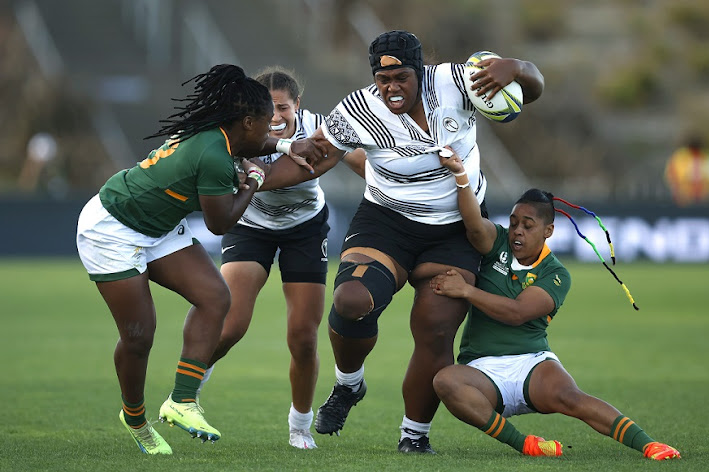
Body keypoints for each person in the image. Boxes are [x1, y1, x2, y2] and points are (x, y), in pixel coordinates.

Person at [287, 30, 545, 453]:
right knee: (351, 301)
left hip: (454, 228)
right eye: (382, 79)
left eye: (401, 77)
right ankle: (349, 384)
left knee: (436, 331)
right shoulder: (358, 108)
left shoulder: (457, 81)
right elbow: (311, 158)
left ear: (420, 72)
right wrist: (253, 181)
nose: (391, 87)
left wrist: (516, 67)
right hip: (386, 221)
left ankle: (414, 434)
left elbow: (532, 87)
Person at [75, 64, 318, 455]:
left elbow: (253, 146)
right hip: (112, 228)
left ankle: (182, 401)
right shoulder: (215, 156)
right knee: (139, 336)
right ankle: (135, 417)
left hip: (157, 226)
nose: (272, 128)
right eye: (265, 122)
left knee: (216, 297)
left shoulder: (220, 135)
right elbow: (221, 223)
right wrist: (254, 181)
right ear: (247, 121)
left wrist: (287, 147)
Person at [429, 148, 681, 461]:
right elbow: (474, 224)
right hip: (481, 368)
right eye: (514, 221)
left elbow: (517, 313)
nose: (518, 230)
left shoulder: (556, 274)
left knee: (572, 398)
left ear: (548, 231)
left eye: (528, 225)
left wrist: (467, 291)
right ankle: (527, 445)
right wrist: (460, 175)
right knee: (445, 382)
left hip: (531, 363)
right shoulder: (498, 243)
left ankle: (649, 445)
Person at [196, 67, 365, 450]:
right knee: (230, 325)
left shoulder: (319, 128)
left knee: (303, 338)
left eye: (283, 108)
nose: (275, 116)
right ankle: (190, 385)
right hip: (251, 225)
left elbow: (355, 157)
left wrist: (390, 179)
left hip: (305, 229)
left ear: (298, 106)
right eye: (267, 108)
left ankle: (300, 427)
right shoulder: (241, 131)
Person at [664, 135, 709, 206]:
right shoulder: (680, 157)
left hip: (703, 198)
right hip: (685, 198)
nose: (694, 151)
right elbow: (672, 176)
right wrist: (677, 193)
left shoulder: (708, 157)